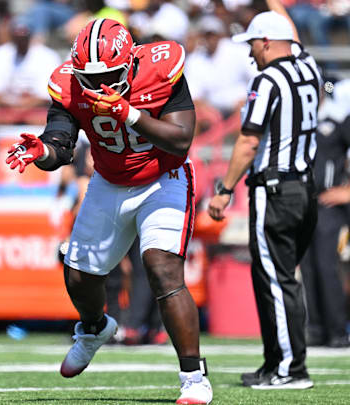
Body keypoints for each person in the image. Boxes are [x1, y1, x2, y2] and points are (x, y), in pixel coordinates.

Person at [5, 18, 212, 404]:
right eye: (88, 76)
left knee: (161, 266)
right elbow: (60, 145)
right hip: (109, 180)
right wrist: (43, 153)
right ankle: (95, 327)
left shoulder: (160, 66)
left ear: (131, 62)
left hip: (163, 177)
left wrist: (129, 113)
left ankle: (193, 377)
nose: (97, 84)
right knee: (79, 275)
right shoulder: (67, 84)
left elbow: (181, 140)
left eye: (111, 74)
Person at [207, 2, 320, 389]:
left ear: (268, 42)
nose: (250, 52)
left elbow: (249, 142)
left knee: (277, 279)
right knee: (280, 277)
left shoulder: (269, 80)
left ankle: (291, 369)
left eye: (253, 43)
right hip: (305, 188)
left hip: (275, 190)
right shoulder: (308, 66)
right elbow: (295, 38)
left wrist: (223, 190)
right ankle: (276, 363)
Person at [299, 80, 350, 348]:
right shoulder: (300, 120)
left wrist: (347, 190)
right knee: (307, 268)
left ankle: (337, 329)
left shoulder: (338, 119)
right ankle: (316, 328)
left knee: (326, 267)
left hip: (330, 206)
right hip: (304, 204)